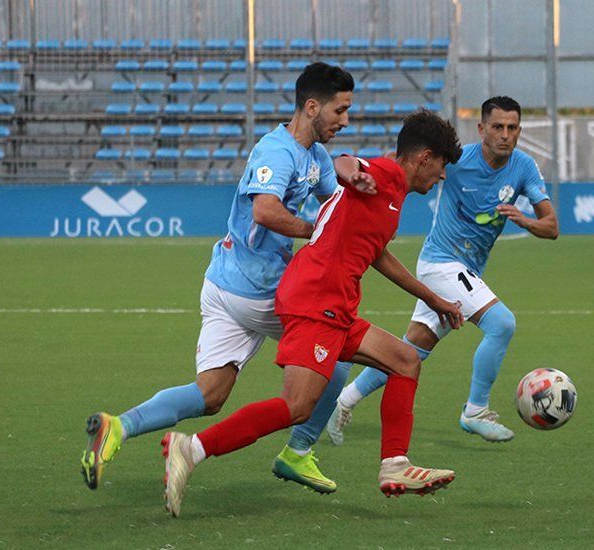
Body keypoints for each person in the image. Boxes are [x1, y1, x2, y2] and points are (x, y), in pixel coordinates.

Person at [161, 109, 464, 517]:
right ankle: (192, 448)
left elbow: (378, 256)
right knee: (297, 407)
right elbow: (345, 163)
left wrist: (435, 299)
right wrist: (350, 173)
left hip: (334, 304)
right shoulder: (385, 175)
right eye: (442, 166)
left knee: (406, 360)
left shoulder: (393, 199)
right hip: (316, 301)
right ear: (425, 157)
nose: (442, 177)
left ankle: (395, 464)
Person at [81, 62, 357, 494]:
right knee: (336, 352)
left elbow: (336, 203)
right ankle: (298, 452)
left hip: (223, 283)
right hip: (257, 290)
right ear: (311, 106)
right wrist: (315, 232)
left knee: (210, 395)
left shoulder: (316, 156)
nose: (345, 120)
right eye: (339, 111)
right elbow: (266, 210)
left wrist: (351, 169)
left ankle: (119, 427)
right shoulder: (276, 151)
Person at [327, 95, 559, 445]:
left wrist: (524, 219)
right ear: (481, 129)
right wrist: (361, 175)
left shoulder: (524, 168)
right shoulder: (457, 160)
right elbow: (407, 167)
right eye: (497, 127)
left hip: (467, 270)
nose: (505, 135)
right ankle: (475, 410)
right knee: (501, 323)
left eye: (512, 128)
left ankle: (344, 401)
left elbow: (552, 226)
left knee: (410, 351)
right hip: (441, 263)